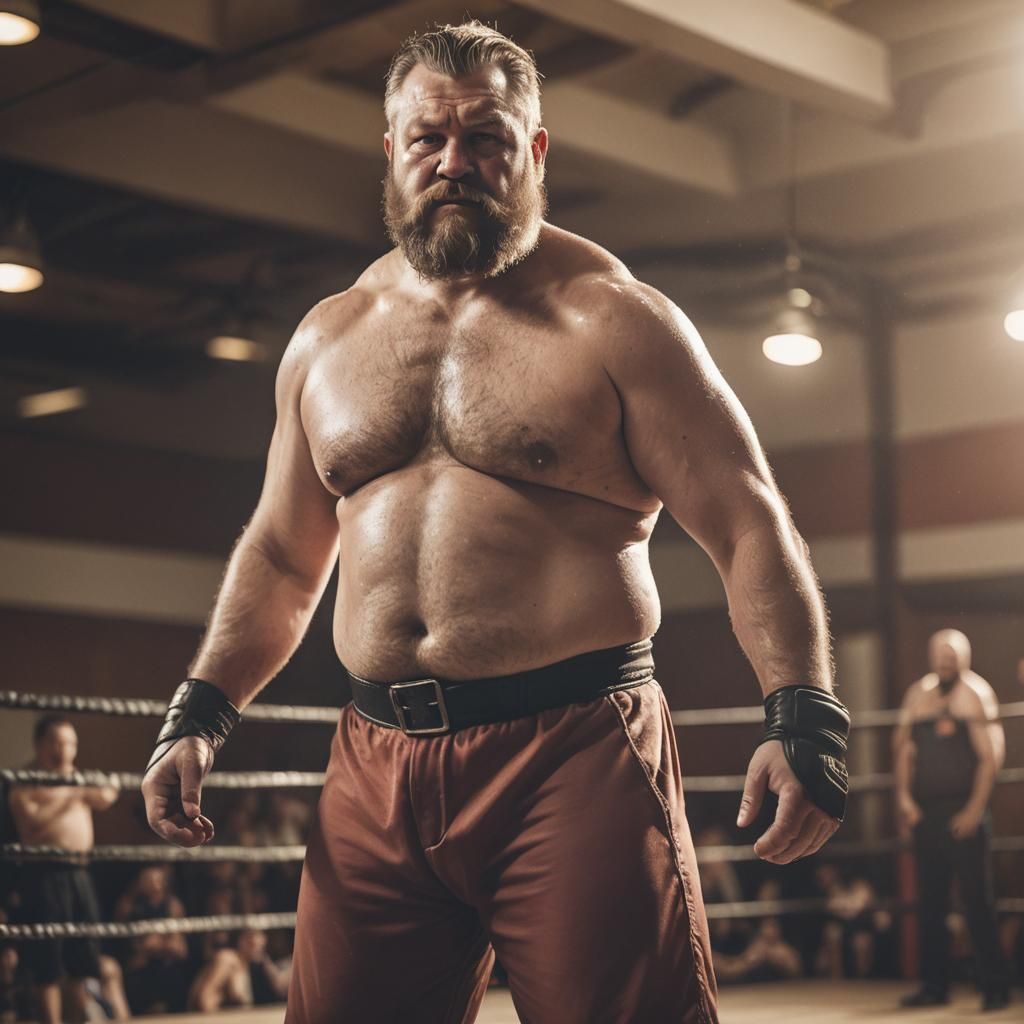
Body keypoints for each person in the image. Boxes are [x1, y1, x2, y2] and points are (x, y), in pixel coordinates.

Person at [140, 21, 850, 1024]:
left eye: (487, 141)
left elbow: (747, 523)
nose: (454, 163)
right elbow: (282, 551)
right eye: (429, 139)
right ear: (390, 148)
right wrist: (200, 710)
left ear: (536, 150)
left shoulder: (615, 319)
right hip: (375, 756)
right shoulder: (326, 337)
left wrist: (802, 710)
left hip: (572, 752)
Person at [894, 628, 1011, 1011]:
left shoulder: (976, 694)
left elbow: (991, 757)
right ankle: (934, 986)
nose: (947, 662)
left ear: (965, 658)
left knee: (977, 900)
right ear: (932, 657)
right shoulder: (918, 696)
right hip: (927, 812)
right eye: (942, 655)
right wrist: (904, 798)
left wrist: (974, 811)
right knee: (931, 901)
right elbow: (903, 749)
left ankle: (994, 987)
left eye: (954, 656)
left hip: (966, 810)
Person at [6, 715, 129, 1023]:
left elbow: (106, 795)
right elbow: (30, 824)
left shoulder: (77, 779)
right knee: (46, 962)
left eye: (70, 743)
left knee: (82, 959)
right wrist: (71, 793)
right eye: (57, 742)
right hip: (43, 875)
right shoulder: (24, 782)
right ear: (40, 745)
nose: (64, 750)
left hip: (80, 873)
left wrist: (90, 788)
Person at [113, 865, 189, 1015]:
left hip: (165, 960)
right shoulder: (128, 904)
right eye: (148, 880)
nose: (153, 884)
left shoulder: (173, 905)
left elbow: (179, 947)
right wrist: (151, 943)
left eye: (157, 880)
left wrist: (154, 943)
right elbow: (125, 944)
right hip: (137, 962)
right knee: (138, 964)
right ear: (140, 882)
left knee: (170, 963)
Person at [187, 928, 290, 1012]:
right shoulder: (227, 959)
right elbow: (204, 999)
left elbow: (279, 985)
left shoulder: (246, 964)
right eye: (253, 945)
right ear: (242, 942)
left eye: (261, 947)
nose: (258, 950)